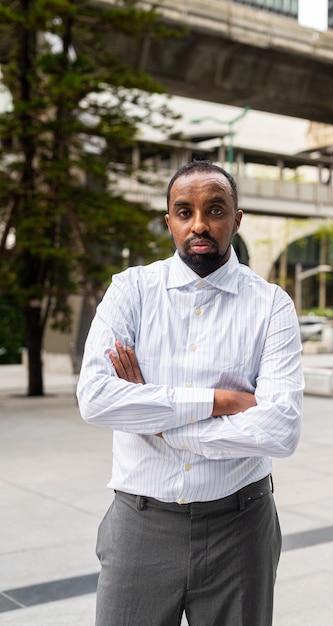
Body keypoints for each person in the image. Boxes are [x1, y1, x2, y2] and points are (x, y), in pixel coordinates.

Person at [76, 159, 304, 626]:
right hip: (141, 523)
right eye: (185, 211)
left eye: (215, 209)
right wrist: (218, 402)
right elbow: (96, 398)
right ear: (169, 221)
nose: (199, 225)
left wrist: (158, 421)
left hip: (240, 528)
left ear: (237, 219)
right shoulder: (131, 291)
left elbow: (280, 430)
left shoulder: (272, 305)